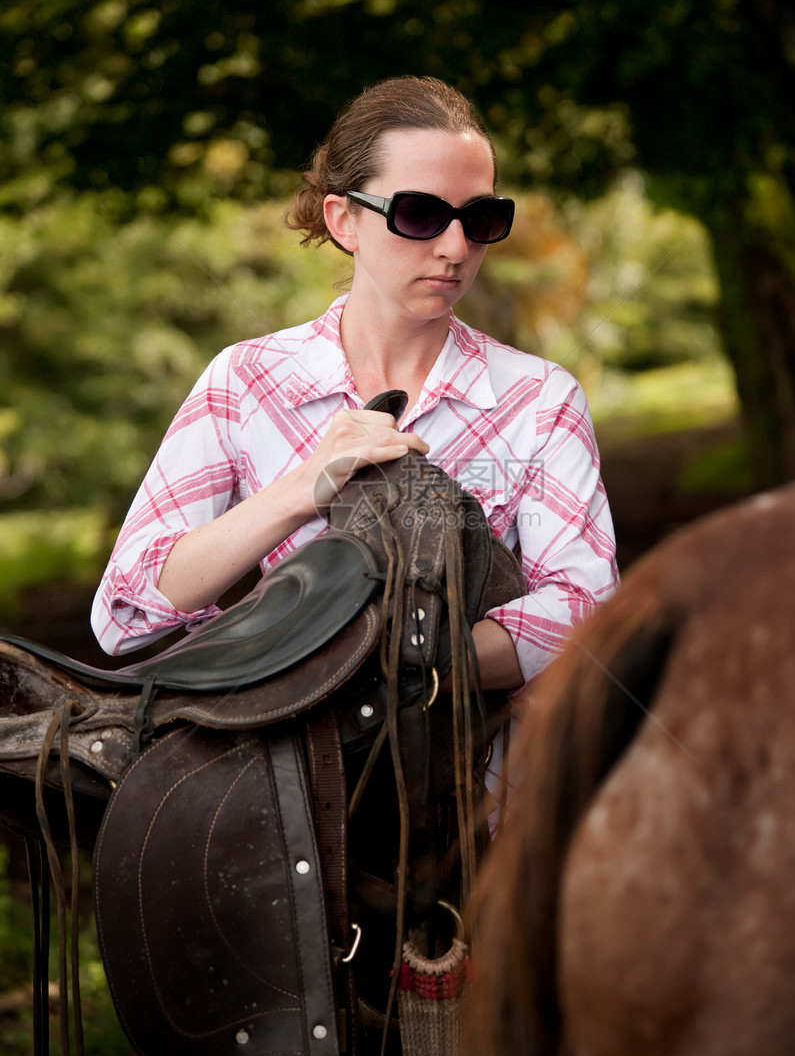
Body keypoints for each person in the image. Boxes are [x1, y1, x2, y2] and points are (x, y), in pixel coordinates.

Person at [92, 72, 617, 723]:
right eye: (420, 213)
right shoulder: (245, 382)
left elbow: (584, 605)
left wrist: (384, 670)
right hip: (281, 798)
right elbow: (126, 613)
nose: (456, 248)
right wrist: (302, 488)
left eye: (480, 217)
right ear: (345, 221)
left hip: (482, 800)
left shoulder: (540, 400)